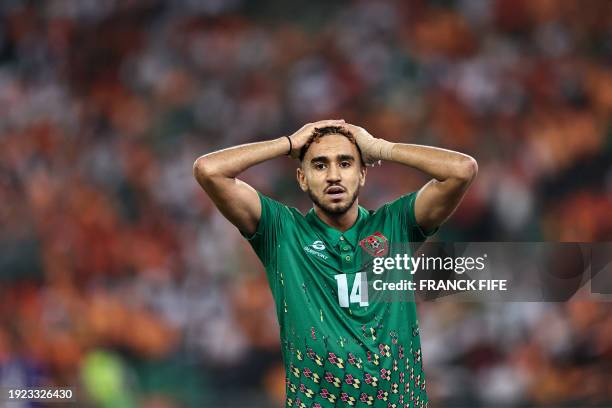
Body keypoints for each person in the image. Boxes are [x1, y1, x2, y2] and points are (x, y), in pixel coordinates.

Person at [193, 119, 477, 408]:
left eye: (345, 163)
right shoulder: (283, 232)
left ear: (362, 174)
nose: (333, 176)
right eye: (319, 165)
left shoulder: (396, 224)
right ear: (302, 178)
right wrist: (288, 144)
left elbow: (461, 170)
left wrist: (381, 148)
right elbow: (208, 170)